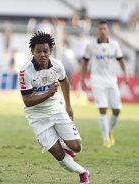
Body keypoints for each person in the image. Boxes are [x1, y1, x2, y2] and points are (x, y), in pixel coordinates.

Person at [19, 32, 89, 184]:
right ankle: (83, 173)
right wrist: (50, 92)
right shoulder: (25, 72)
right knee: (58, 154)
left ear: (51, 50)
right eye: (38, 51)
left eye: (45, 51)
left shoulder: (57, 65)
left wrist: (69, 105)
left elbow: (65, 81)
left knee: (76, 147)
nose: (42, 54)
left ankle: (65, 144)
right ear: (32, 51)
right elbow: (28, 101)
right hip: (37, 116)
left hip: (57, 110)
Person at [80, 20, 129, 148]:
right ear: (97, 31)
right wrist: (82, 79)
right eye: (100, 29)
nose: (102, 31)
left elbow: (121, 61)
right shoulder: (91, 46)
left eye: (104, 29)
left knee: (117, 110)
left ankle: (110, 131)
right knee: (102, 109)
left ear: (108, 31)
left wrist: (126, 74)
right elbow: (84, 62)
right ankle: (106, 138)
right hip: (97, 80)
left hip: (111, 80)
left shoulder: (114, 45)